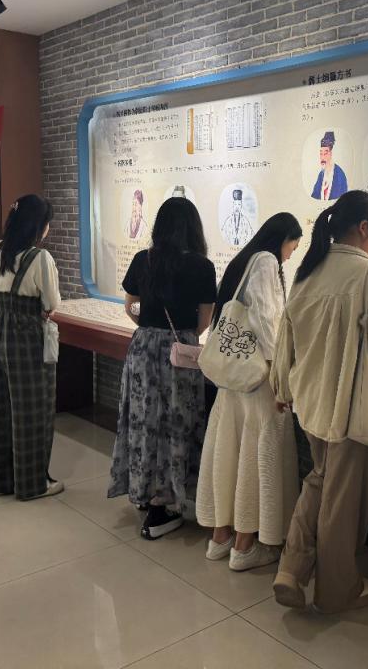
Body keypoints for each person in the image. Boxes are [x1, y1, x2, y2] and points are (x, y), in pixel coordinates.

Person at [270, 190, 368, 613]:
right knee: (343, 499)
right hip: (350, 407)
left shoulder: (307, 272)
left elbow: (286, 341)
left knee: (319, 479)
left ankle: (291, 569)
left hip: (310, 402)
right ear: (365, 228)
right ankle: (337, 589)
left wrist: (282, 390)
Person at [196, 213, 303, 571]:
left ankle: (220, 538)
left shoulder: (243, 260)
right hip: (258, 379)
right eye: (293, 246)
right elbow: (265, 319)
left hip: (234, 377)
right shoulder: (267, 261)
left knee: (230, 452)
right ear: (284, 239)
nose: (291, 254)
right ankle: (244, 546)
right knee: (257, 456)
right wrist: (277, 372)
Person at [109, 197, 217, 540]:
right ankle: (167, 500)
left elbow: (130, 305)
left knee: (143, 419)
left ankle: (144, 488)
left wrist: (148, 326)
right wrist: (179, 336)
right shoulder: (202, 266)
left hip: (143, 349)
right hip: (179, 352)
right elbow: (204, 322)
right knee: (176, 422)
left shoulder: (144, 259)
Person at [0, 195, 62, 501]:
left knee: (0, 408)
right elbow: (51, 303)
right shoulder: (39, 258)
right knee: (33, 409)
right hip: (28, 336)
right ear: (38, 225)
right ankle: (32, 484)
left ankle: (0, 480)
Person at [310, 131, 349, 201]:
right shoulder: (321, 175)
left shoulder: (339, 174)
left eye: (325, 153)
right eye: (321, 154)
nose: (322, 157)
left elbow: (340, 199)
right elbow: (314, 196)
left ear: (331, 153)